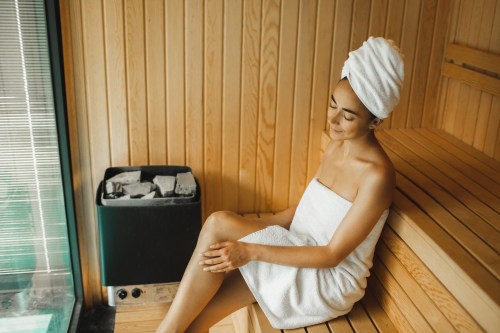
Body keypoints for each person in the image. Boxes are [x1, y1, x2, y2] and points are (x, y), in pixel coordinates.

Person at [156, 36, 405, 332]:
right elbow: (303, 211)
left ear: (374, 122)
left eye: (348, 116)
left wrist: (251, 249)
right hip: (298, 245)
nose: (334, 121)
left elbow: (332, 255)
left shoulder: (377, 176)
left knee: (219, 225)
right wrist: (258, 226)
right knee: (196, 320)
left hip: (325, 280)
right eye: (332, 106)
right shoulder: (337, 146)